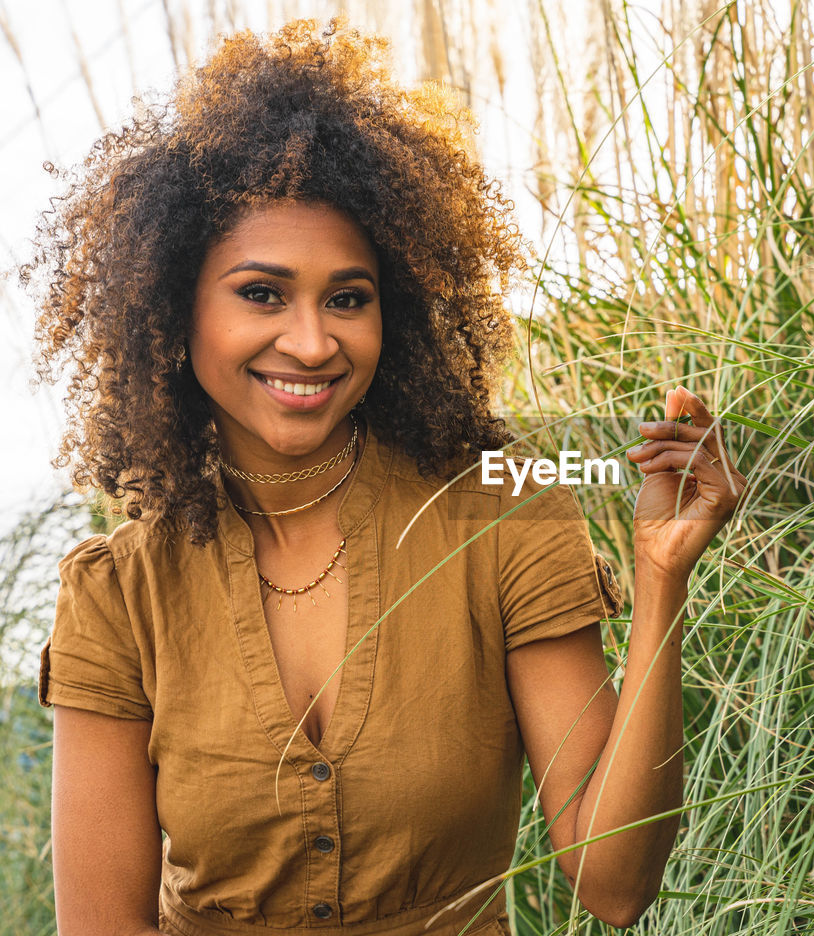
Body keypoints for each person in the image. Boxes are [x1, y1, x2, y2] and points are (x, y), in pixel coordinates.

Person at [24, 19, 745, 936]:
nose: (314, 342)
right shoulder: (120, 594)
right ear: (175, 308)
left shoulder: (497, 515)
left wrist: (660, 576)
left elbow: (613, 883)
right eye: (261, 293)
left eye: (348, 299)